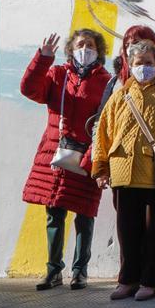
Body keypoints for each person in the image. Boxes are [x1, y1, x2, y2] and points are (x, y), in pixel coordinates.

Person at [92, 39, 155, 301]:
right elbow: (103, 133)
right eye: (139, 63)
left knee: (154, 232)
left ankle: (149, 282)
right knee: (127, 231)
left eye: (149, 63)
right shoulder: (119, 95)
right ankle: (127, 280)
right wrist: (101, 167)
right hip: (123, 172)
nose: (144, 68)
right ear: (130, 64)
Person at [20, 30, 111, 291]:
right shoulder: (58, 74)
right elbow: (30, 89)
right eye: (81, 44)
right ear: (71, 49)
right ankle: (53, 270)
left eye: (91, 45)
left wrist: (98, 157)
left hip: (86, 157)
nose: (85, 48)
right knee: (54, 214)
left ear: (99, 51)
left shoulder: (106, 81)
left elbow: (105, 121)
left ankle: (80, 271)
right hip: (55, 155)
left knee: (84, 216)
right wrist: (43, 59)